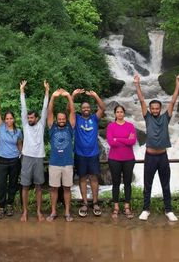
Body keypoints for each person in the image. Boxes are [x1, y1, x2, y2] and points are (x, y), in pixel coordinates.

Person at [134, 73, 179, 222]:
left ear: (160, 109)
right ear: (150, 109)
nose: (155, 110)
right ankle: (145, 209)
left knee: (165, 184)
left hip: (162, 157)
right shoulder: (147, 117)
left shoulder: (165, 118)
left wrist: (178, 85)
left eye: (157, 108)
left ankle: (169, 210)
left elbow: (173, 102)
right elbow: (142, 100)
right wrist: (137, 85)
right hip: (149, 157)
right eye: (152, 108)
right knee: (147, 185)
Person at [72, 88, 105, 217]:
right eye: (83, 107)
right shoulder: (77, 118)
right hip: (80, 154)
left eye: (87, 107)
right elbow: (69, 108)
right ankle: (85, 203)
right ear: (81, 109)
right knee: (82, 178)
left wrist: (95, 96)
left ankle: (95, 203)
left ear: (90, 109)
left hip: (93, 154)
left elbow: (102, 108)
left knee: (94, 178)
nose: (86, 109)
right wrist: (73, 95)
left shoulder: (94, 118)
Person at [19, 79, 49, 222]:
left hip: (38, 158)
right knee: (24, 186)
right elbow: (23, 108)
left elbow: (45, 109)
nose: (29, 119)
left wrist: (47, 92)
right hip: (26, 158)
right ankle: (24, 212)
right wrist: (22, 91)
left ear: (36, 118)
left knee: (38, 187)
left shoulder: (41, 124)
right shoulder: (25, 124)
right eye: (28, 117)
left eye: (32, 117)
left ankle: (38, 212)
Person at [46, 88, 76, 222]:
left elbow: (73, 112)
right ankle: (53, 212)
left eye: (63, 118)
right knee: (53, 189)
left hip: (68, 163)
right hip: (54, 163)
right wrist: (53, 96)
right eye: (60, 119)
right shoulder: (52, 128)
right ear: (57, 119)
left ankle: (67, 212)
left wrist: (69, 96)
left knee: (67, 188)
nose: (62, 120)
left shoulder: (70, 128)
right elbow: (49, 112)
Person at [0, 89, 23, 218]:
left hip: (15, 160)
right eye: (7, 118)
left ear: (14, 119)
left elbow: (19, 144)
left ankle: (10, 205)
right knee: (1, 184)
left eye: (11, 118)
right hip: (2, 160)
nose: (9, 120)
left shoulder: (18, 131)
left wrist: (21, 155)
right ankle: (1, 206)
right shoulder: (1, 128)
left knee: (13, 184)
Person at [106, 104, 136, 219]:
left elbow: (132, 141)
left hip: (128, 159)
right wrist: (125, 140)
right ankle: (116, 207)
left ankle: (127, 207)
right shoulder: (111, 126)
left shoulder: (130, 126)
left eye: (121, 112)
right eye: (117, 112)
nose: (119, 114)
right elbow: (111, 142)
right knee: (116, 183)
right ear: (115, 114)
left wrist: (117, 139)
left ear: (124, 113)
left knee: (128, 183)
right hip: (114, 159)